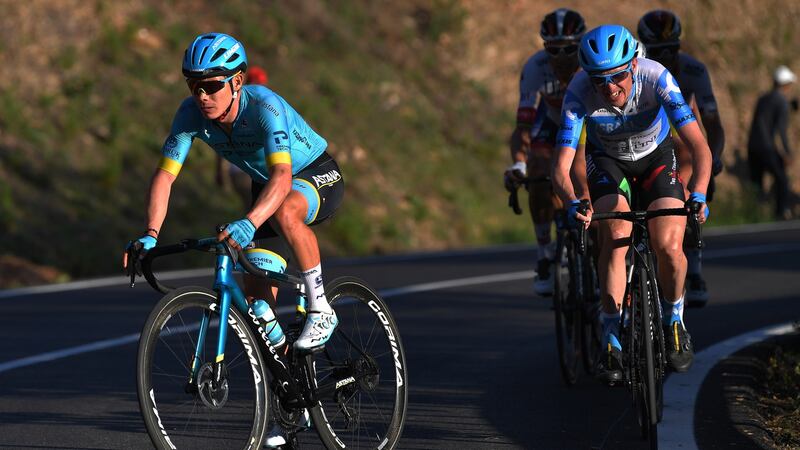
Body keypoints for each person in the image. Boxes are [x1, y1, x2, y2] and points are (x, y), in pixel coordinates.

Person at [551, 25, 712, 381]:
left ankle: (674, 318)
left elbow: (699, 147)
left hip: (656, 157)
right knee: (616, 233)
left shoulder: (658, 79)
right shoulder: (578, 92)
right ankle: (611, 332)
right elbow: (560, 167)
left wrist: (698, 191)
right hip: (608, 162)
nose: (610, 89)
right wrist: (573, 201)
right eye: (599, 81)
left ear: (635, 66)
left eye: (618, 76)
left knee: (668, 245)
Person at [637, 10, 726, 306]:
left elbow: (712, 122)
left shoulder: (694, 70)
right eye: (658, 52)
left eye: (672, 50)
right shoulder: (637, 70)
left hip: (679, 123)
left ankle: (695, 264)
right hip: (646, 125)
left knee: (697, 171)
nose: (666, 57)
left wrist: (714, 158)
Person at [504, 8, 587, 296]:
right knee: (538, 173)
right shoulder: (535, 67)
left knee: (585, 175)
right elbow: (523, 127)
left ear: (580, 45)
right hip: (551, 121)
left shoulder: (591, 65)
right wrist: (518, 164)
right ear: (544, 47)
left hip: (586, 124)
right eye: (553, 49)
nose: (561, 56)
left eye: (569, 49)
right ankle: (544, 253)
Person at [215, 65, 271, 207]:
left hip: (254, 170)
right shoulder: (239, 107)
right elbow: (225, 139)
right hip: (244, 172)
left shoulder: (262, 105)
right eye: (257, 83)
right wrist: (221, 171)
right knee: (258, 211)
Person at [747, 65, 796, 220]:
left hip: (753, 146)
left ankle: (753, 213)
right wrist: (786, 153)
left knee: (756, 184)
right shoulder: (781, 102)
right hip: (767, 147)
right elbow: (780, 131)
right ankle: (782, 212)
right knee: (782, 179)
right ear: (786, 84)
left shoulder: (763, 99)